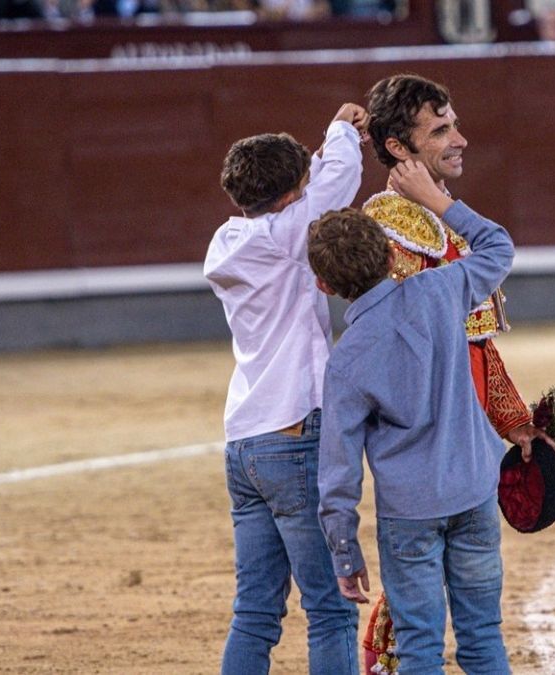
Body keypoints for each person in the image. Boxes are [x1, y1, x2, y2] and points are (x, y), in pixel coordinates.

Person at [358, 71, 555, 673]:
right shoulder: (392, 228)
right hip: (432, 460)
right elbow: (412, 359)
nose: (460, 139)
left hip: (442, 468)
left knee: (453, 636)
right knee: (462, 638)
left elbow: (477, 349)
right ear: (400, 149)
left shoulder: (440, 226)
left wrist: (514, 423)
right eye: (440, 129)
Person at [309, 160, 516, 674]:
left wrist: (343, 553)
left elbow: (338, 471)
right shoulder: (441, 291)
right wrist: (442, 204)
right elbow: (498, 248)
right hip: (472, 490)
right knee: (483, 638)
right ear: (389, 254)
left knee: (420, 646)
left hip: (410, 514)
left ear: (324, 286)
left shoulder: (347, 359)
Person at [202, 102, 369, 675]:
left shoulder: (228, 239)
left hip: (243, 442)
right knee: (330, 610)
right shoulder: (290, 233)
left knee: (254, 611)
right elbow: (339, 181)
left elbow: (309, 191)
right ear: (288, 198)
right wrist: (343, 130)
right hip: (295, 431)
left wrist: (311, 163)